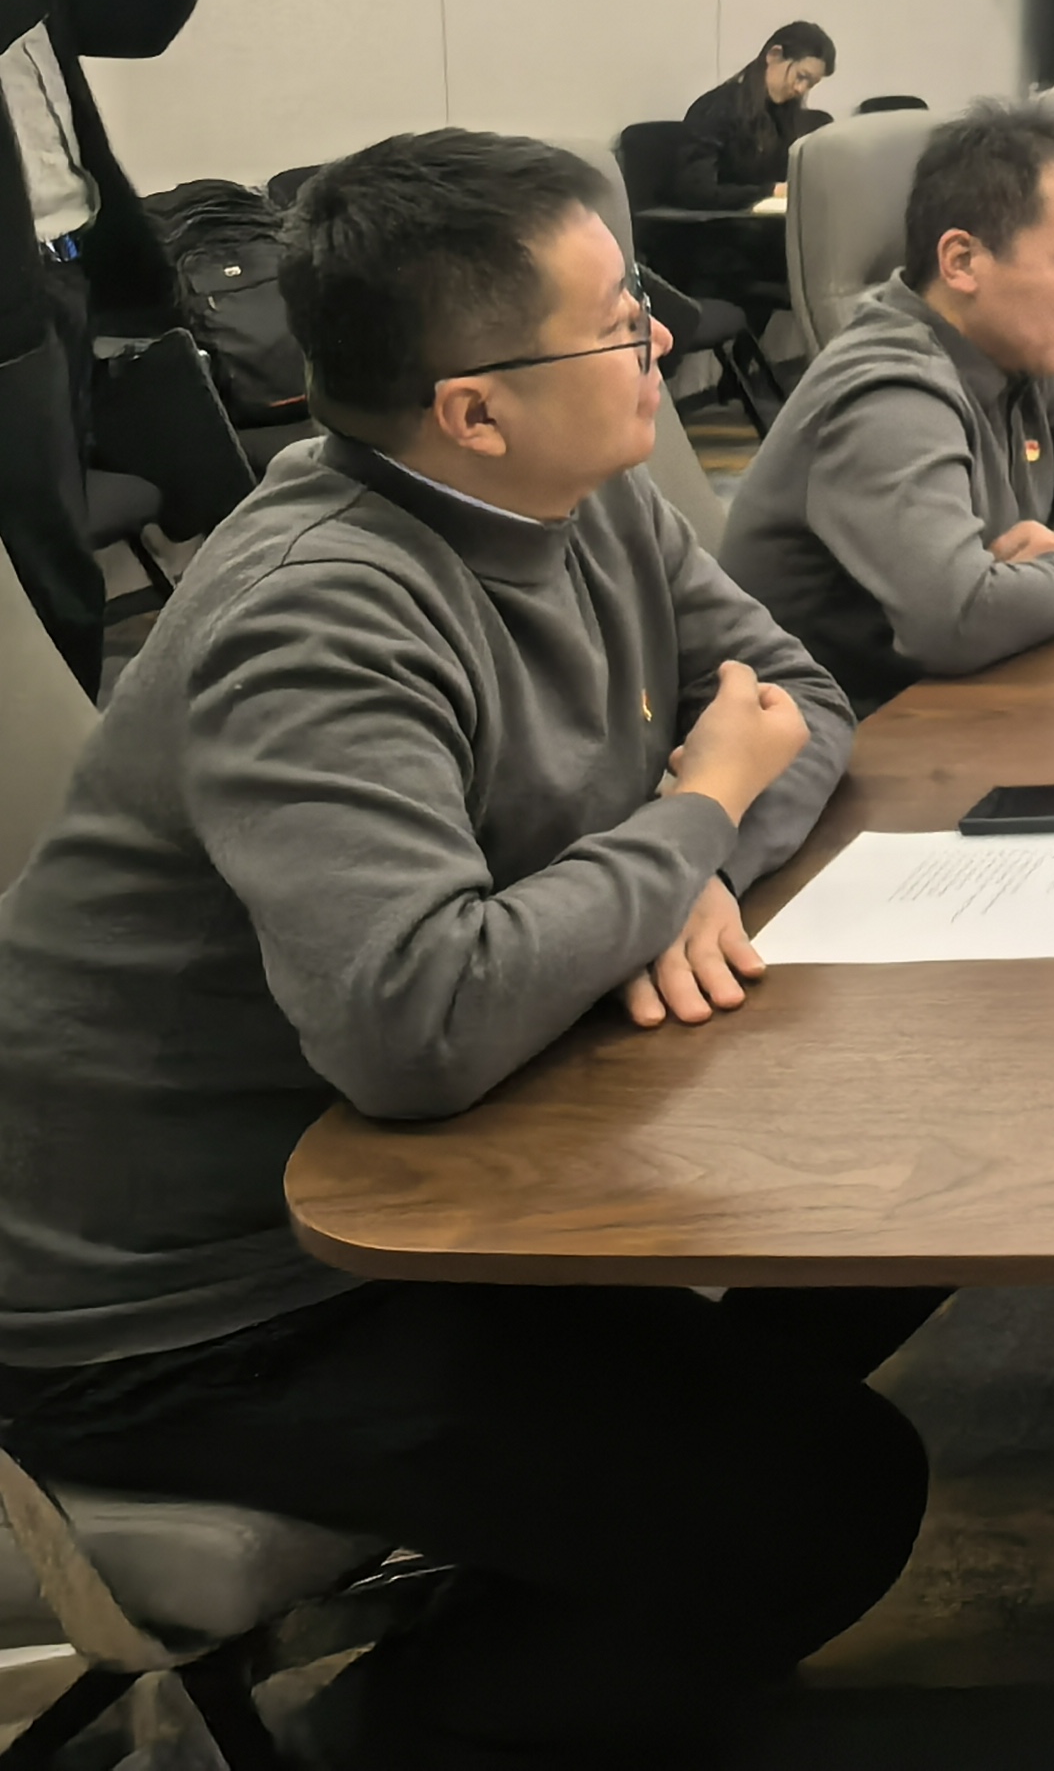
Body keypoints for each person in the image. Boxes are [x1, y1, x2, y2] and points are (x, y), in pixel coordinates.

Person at [0, 129, 930, 1770]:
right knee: (825, 1498)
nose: (658, 337)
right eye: (615, 321)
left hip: (431, 1166)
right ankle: (375, 1732)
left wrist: (685, 865)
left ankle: (582, 1558)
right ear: (474, 411)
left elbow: (797, 701)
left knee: (894, 1218)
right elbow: (415, 1020)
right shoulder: (320, 613)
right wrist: (689, 816)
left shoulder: (587, 500)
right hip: (191, 1305)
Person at [722, 104, 1054, 711]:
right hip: (848, 736)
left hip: (962, 700)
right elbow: (959, 619)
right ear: (962, 261)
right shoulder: (888, 395)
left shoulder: (1018, 348)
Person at [0, 0, 215, 693]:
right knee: (41, 561)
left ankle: (68, 723)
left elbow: (131, 20)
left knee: (58, 534)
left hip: (63, 272)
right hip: (8, 309)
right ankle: (53, 753)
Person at [673, 23, 837, 205]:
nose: (801, 89)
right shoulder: (716, 108)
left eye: (810, 84)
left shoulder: (785, 116)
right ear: (774, 55)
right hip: (722, 219)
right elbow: (695, 190)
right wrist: (768, 191)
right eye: (801, 76)